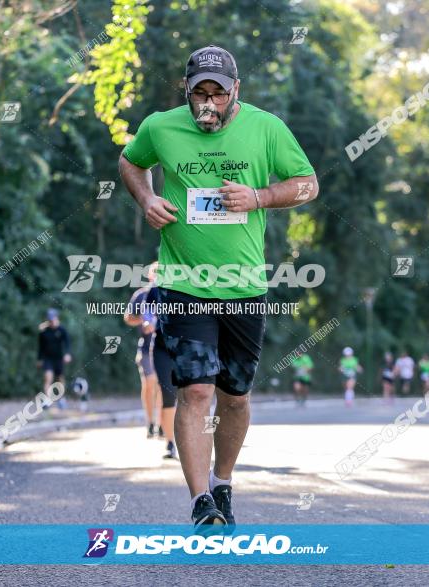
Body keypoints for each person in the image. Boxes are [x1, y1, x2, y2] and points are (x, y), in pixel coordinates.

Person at [118, 44, 318, 529]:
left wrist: (260, 196)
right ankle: (201, 500)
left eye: (219, 94)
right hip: (183, 283)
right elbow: (130, 162)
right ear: (185, 91)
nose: (209, 104)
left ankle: (223, 480)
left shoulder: (266, 128)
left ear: (236, 92)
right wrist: (146, 198)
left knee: (235, 396)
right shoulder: (160, 127)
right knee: (196, 393)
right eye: (199, 93)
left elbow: (308, 183)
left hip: (244, 286)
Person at [125, 262, 178, 459]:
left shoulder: (171, 293)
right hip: (147, 347)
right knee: (150, 384)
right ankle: (150, 422)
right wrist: (144, 321)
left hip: (167, 346)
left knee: (164, 387)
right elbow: (128, 317)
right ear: (150, 275)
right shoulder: (142, 295)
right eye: (155, 273)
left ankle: (165, 428)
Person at [37, 308, 71, 409]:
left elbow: (67, 343)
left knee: (60, 380)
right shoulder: (44, 332)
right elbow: (41, 347)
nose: (51, 321)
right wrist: (39, 359)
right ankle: (47, 401)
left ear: (57, 318)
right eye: (50, 320)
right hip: (48, 359)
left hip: (59, 359)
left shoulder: (62, 330)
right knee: (48, 378)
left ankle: (61, 399)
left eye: (53, 319)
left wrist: (67, 354)